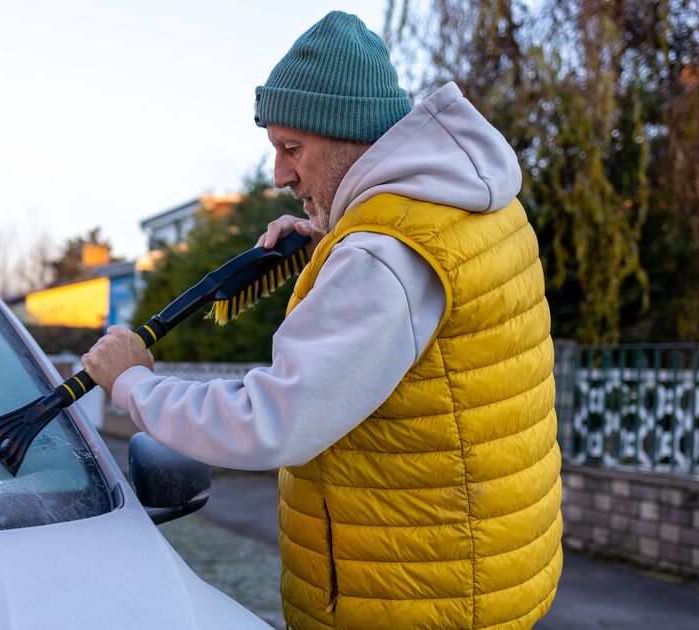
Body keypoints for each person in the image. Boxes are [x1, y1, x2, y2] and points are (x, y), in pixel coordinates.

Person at [82, 10, 562, 630]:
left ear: (347, 134)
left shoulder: (381, 256)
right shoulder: (466, 206)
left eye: (292, 148)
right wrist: (333, 234)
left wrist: (133, 385)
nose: (281, 174)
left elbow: (271, 422)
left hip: (407, 597)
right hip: (479, 570)